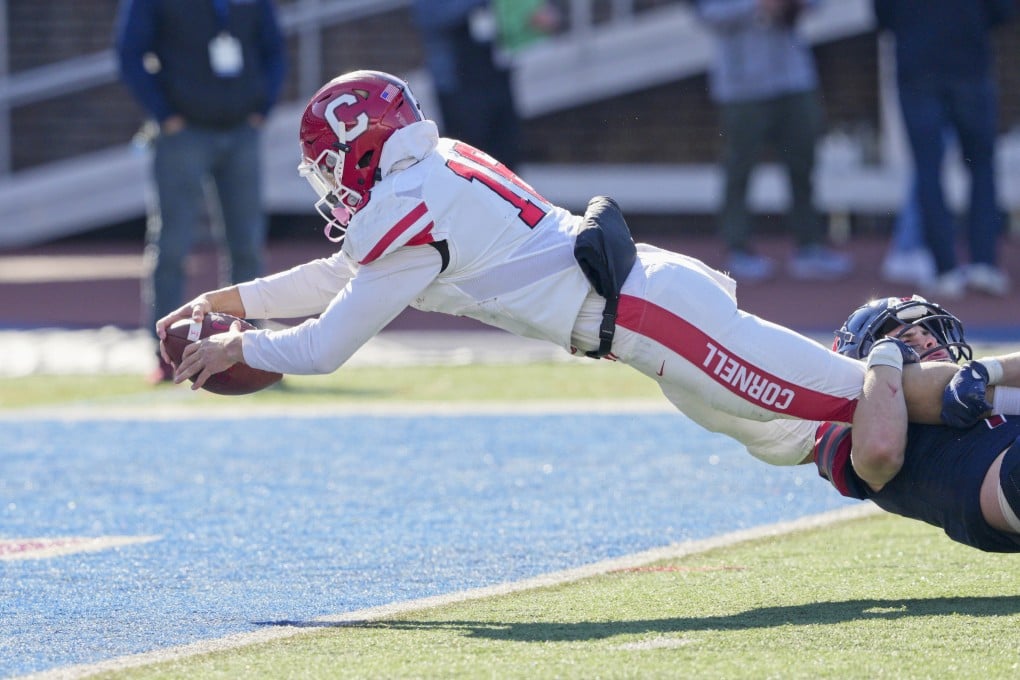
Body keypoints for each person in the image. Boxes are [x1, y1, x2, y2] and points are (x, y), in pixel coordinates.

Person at [158, 70, 975, 466]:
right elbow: (339, 277)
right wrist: (229, 300)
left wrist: (241, 347)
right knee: (785, 438)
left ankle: (990, 394)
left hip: (658, 320)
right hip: (645, 319)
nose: (333, 184)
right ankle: (953, 468)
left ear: (364, 148)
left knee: (850, 395)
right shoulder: (430, 168)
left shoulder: (412, 213)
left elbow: (324, 345)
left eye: (333, 165)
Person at [114, 0, 288, 384]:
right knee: (172, 244)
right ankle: (165, 354)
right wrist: (164, 114)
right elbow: (129, 53)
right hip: (183, 133)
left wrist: (263, 106)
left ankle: (249, 352)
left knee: (246, 244)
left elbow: (274, 48)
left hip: (241, 131)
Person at [812, 295, 1020, 552]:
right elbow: (879, 452)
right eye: (908, 339)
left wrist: (987, 369)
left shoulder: (970, 390)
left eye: (929, 333)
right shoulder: (868, 425)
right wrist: (885, 359)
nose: (930, 341)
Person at [697, 0, 852, 283]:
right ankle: (738, 248)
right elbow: (706, 13)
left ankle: (810, 246)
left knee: (803, 162)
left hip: (794, 78)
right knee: (739, 166)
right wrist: (756, 6)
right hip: (741, 86)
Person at [873, 0, 1017, 298]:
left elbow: (883, 15)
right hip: (969, 65)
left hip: (918, 66)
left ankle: (945, 269)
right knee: (980, 167)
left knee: (929, 169)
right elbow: (1003, 11)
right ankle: (983, 264)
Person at [412, 0, 522, 171]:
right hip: (458, 84)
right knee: (470, 157)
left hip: (494, 72)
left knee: (506, 149)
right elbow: (431, 16)